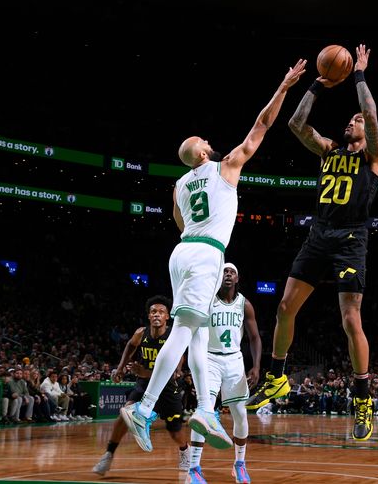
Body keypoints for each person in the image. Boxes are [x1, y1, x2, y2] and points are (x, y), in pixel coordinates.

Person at [122, 59, 306, 459]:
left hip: (182, 250)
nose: (209, 140)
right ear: (202, 151)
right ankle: (143, 407)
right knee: (185, 332)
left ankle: (206, 410)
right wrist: (284, 86)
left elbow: (178, 219)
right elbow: (261, 125)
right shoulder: (226, 166)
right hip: (206, 253)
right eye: (204, 139)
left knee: (201, 334)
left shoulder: (179, 184)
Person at [245, 44, 378, 441]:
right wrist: (317, 87)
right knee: (285, 306)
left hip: (352, 237)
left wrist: (357, 74)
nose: (353, 121)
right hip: (319, 233)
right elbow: (296, 125)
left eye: (356, 121)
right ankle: (276, 378)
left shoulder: (373, 156)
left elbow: (371, 113)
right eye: (352, 119)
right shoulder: (328, 150)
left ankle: (362, 397)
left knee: (349, 319)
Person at [94, 295, 190, 476]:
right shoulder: (141, 333)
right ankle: (108, 454)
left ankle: (185, 450)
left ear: (167, 317)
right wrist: (120, 368)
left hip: (167, 388)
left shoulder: (173, 336)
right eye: (153, 311)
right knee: (125, 413)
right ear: (148, 316)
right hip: (144, 385)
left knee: (175, 432)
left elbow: (173, 371)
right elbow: (130, 346)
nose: (157, 315)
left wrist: (144, 372)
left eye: (161, 312)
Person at [190, 262, 262, 484]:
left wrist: (257, 366)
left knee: (240, 414)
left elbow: (255, 338)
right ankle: (194, 468)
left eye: (232, 272)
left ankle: (239, 464)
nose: (228, 275)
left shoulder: (244, 304)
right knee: (204, 413)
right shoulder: (208, 301)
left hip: (234, 361)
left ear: (237, 278)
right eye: (224, 271)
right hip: (210, 358)